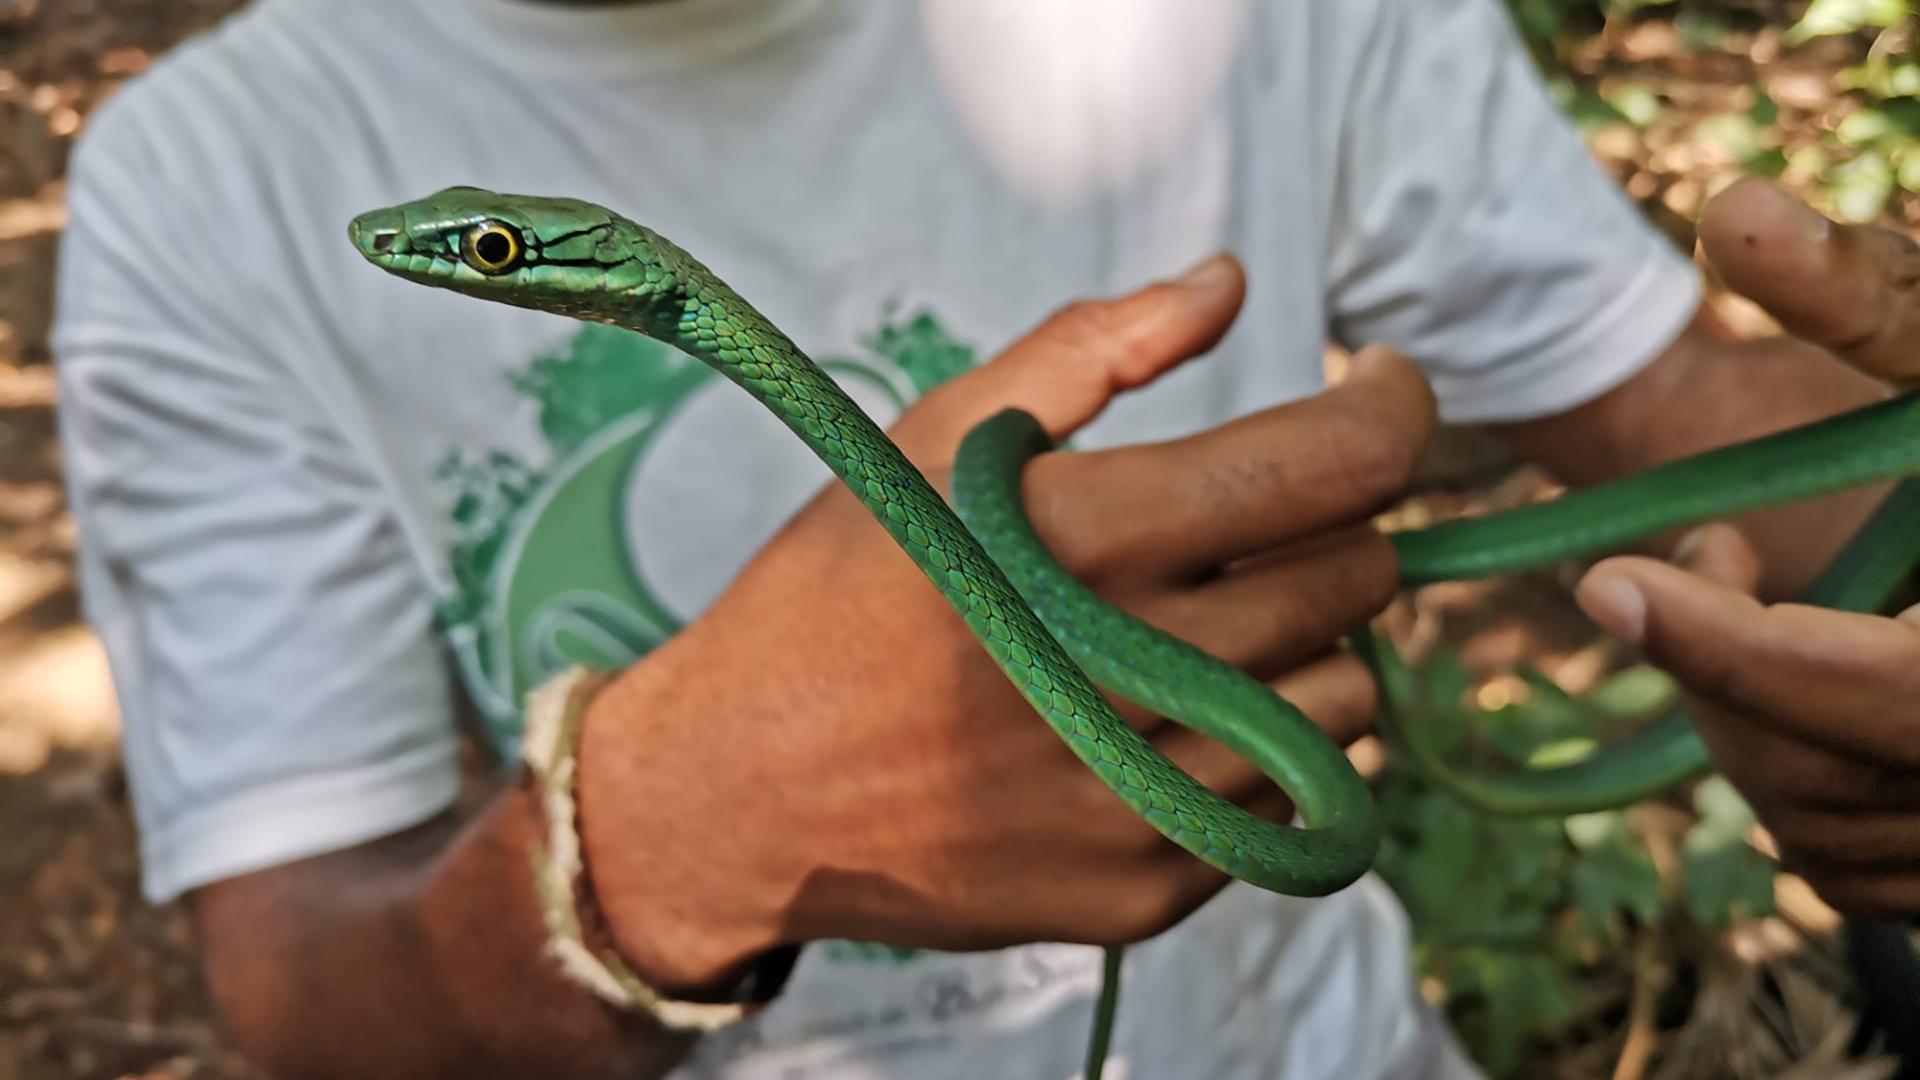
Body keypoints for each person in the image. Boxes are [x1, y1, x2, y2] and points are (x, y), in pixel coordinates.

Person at [48, 0, 1920, 1076]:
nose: (470, 270)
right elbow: (309, 1000)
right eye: (485, 261)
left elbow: (1674, 406)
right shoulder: (209, 184)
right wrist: (661, 845)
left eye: (492, 257)